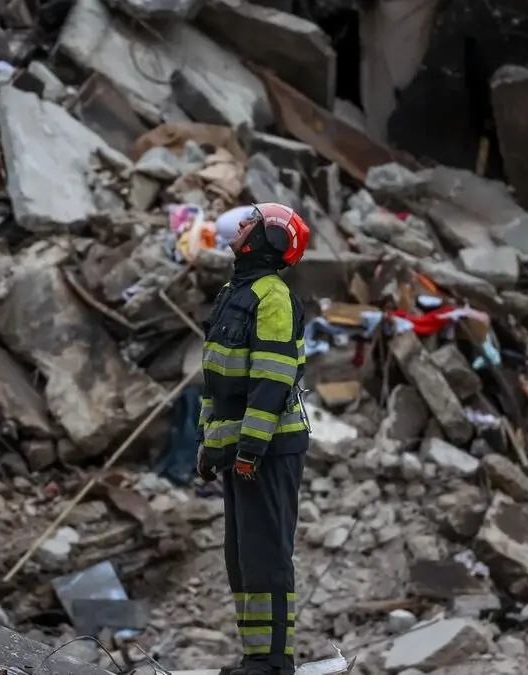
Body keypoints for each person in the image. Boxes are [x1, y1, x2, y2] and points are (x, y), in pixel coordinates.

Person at [196, 202, 311, 675]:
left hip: (269, 449)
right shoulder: (234, 292)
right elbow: (215, 379)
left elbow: (271, 380)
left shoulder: (273, 298)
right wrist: (209, 441)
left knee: (267, 559)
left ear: (270, 239)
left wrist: (250, 449)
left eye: (251, 223)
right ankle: (255, 658)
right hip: (239, 449)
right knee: (242, 561)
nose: (241, 226)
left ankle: (274, 663)